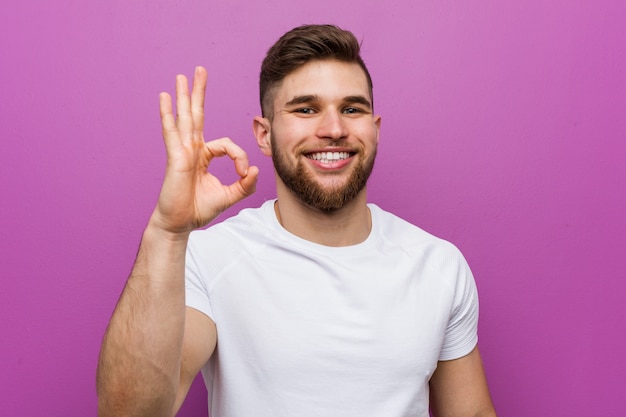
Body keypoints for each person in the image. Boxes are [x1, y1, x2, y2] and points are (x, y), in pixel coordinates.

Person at [97, 24, 497, 417]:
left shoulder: (439, 265)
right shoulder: (208, 259)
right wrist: (167, 233)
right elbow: (130, 412)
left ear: (374, 131)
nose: (334, 129)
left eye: (352, 109)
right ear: (264, 135)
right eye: (306, 109)